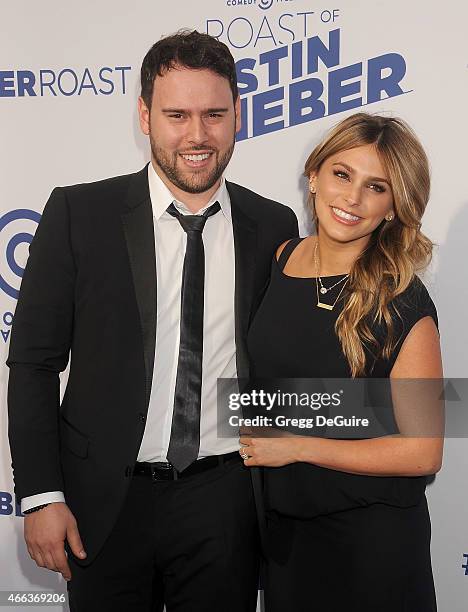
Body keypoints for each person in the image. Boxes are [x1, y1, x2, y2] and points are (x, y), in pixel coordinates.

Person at [7, 30, 298, 612]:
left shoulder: (273, 224)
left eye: (214, 114)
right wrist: (41, 494)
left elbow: (290, 359)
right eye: (177, 115)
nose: (197, 135)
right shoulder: (78, 213)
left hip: (225, 499)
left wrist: (408, 411)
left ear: (238, 114)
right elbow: (34, 364)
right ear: (144, 115)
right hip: (104, 502)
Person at [242, 113, 443, 611]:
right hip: (287, 538)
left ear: (393, 208)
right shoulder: (281, 257)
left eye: (376, 187)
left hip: (372, 545)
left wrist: (298, 446)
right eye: (341, 174)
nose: (352, 198)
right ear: (314, 175)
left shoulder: (403, 301)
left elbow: (423, 452)